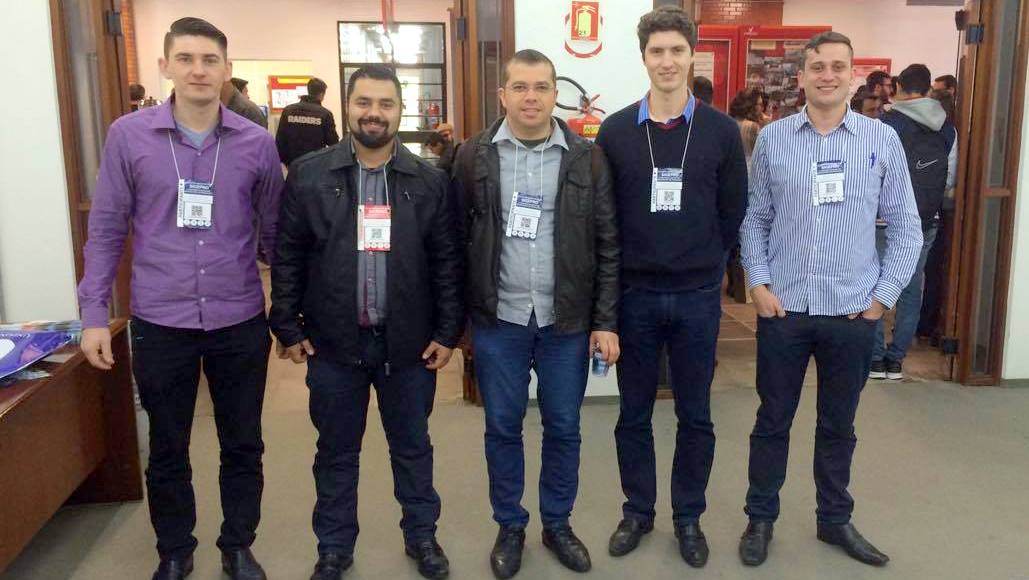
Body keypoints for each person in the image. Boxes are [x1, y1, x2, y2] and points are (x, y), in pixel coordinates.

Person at [77, 17, 284, 580]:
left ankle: (238, 545)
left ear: (226, 70)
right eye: (186, 58)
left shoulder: (257, 144)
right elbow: (106, 230)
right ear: (165, 66)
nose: (198, 70)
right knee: (168, 445)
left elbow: (276, 236)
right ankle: (174, 549)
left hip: (238, 317)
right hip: (160, 319)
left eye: (210, 60)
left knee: (243, 443)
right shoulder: (128, 136)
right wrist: (93, 315)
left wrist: (293, 313)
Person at [269, 64, 462, 580]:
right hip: (334, 344)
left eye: (385, 104)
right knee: (335, 452)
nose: (374, 113)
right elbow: (287, 253)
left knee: (412, 448)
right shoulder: (310, 175)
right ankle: (334, 547)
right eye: (364, 102)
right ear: (347, 107)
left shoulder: (429, 180)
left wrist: (447, 332)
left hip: (409, 345)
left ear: (400, 111)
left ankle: (422, 537)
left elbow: (447, 261)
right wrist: (287, 324)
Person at [738, 31, 922, 568]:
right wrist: (758, 284)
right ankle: (760, 518)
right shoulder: (774, 140)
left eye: (838, 67)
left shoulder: (881, 140)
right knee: (772, 421)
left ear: (852, 76)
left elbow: (907, 228)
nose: (827, 75)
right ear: (801, 77)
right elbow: (755, 218)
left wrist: (882, 299)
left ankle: (834, 519)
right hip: (785, 310)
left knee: (839, 425)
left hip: (852, 312)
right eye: (817, 66)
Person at [451, 49, 620, 579]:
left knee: (564, 426)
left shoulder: (586, 157)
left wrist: (605, 320)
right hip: (498, 319)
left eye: (541, 87)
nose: (531, 97)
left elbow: (607, 243)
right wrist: (458, 324)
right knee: (502, 426)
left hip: (564, 321)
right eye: (520, 87)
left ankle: (557, 524)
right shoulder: (472, 156)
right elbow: (455, 241)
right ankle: (510, 525)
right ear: (502, 94)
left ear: (554, 94)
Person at [594, 6, 747, 568]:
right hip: (633, 296)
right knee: (633, 413)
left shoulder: (721, 131)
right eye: (656, 51)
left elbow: (733, 211)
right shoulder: (614, 132)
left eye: (676, 51)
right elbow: (605, 220)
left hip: (697, 297)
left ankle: (688, 516)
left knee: (696, 414)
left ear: (691, 56)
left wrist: (703, 261)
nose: (667, 61)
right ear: (643, 58)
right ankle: (638, 511)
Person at [869, 64, 957, 381]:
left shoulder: (886, 124)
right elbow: (950, 177)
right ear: (928, 89)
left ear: (899, 88)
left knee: (875, 283)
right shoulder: (947, 128)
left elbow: (871, 171)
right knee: (910, 287)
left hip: (883, 218)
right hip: (925, 219)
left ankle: (875, 359)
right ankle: (896, 360)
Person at [275, 77, 340, 166]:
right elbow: (333, 143)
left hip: (293, 164)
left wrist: (286, 163)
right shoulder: (325, 114)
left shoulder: (288, 111)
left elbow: (280, 140)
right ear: (322, 94)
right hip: (316, 164)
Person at [729, 87, 764, 160]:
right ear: (751, 105)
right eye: (760, 104)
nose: (762, 108)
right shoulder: (752, 126)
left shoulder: (729, 122)